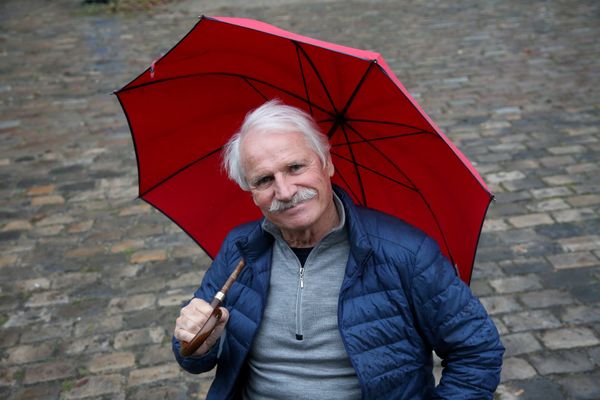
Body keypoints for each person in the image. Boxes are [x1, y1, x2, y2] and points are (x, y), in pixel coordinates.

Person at [172, 100, 504, 399]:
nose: (285, 191)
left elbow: (477, 349)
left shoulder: (406, 253)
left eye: (295, 168)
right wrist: (198, 341)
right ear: (251, 193)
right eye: (264, 180)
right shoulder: (240, 249)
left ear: (326, 163)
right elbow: (193, 358)